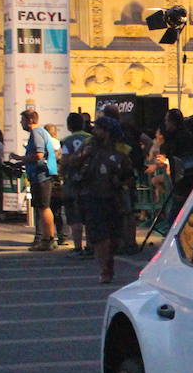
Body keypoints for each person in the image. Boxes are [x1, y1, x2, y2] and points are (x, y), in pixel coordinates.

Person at [73, 116, 135, 284]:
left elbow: (130, 174)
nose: (94, 131)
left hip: (114, 198)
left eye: (98, 128)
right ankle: (105, 269)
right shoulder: (88, 146)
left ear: (107, 132)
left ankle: (110, 263)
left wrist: (121, 183)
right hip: (93, 196)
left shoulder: (122, 149)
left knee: (114, 238)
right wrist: (82, 158)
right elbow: (70, 163)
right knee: (100, 237)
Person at [20, 109, 59, 251]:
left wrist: (20, 158)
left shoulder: (37, 133)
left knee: (44, 208)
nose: (20, 123)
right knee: (43, 207)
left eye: (22, 120)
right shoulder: (40, 133)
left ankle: (47, 239)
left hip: (41, 176)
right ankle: (48, 238)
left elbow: (39, 155)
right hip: (41, 175)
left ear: (30, 120)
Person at [59, 113, 92, 258]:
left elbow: (65, 160)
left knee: (74, 215)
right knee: (90, 214)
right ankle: (90, 246)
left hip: (73, 180)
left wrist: (62, 173)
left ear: (69, 126)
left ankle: (78, 247)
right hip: (90, 179)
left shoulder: (67, 140)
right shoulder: (90, 138)